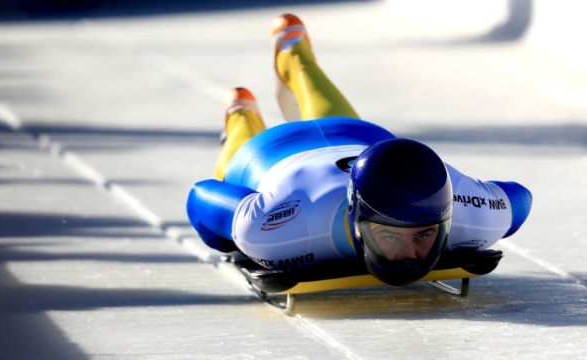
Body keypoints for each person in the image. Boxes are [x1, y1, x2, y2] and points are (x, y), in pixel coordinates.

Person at [186, 13, 532, 286]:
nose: (409, 256)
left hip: (358, 137)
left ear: (446, 217)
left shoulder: (473, 211)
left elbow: (520, 199)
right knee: (235, 159)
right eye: (389, 237)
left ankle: (294, 56)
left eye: (425, 234)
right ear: (357, 218)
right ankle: (242, 112)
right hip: (266, 153)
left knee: (334, 118)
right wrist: (233, 240)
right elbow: (201, 196)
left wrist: (230, 239)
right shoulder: (269, 231)